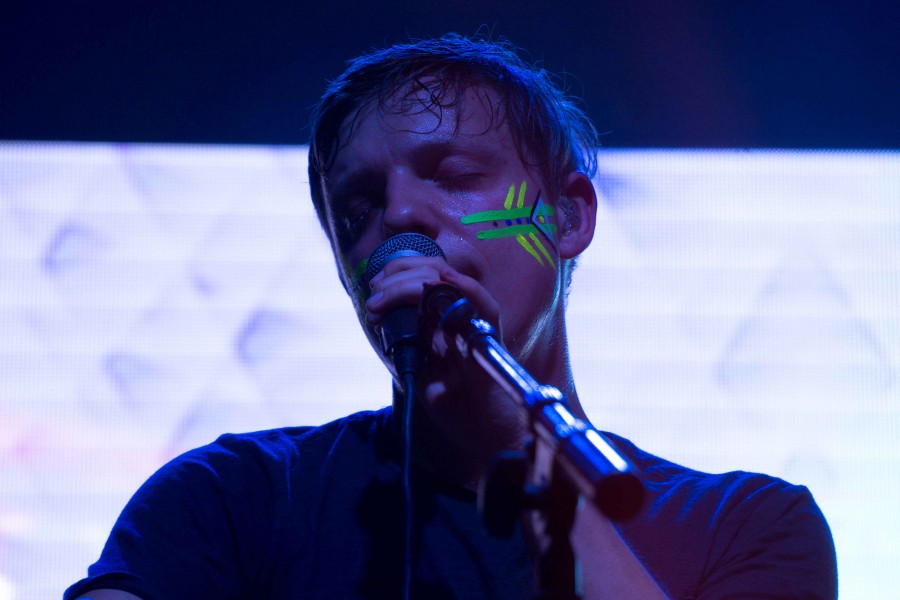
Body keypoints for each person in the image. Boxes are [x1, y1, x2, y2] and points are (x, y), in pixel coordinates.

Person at [65, 34, 837, 599]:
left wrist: (516, 442)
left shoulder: (745, 526)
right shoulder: (232, 499)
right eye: (361, 207)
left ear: (567, 218)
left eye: (456, 176)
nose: (400, 216)